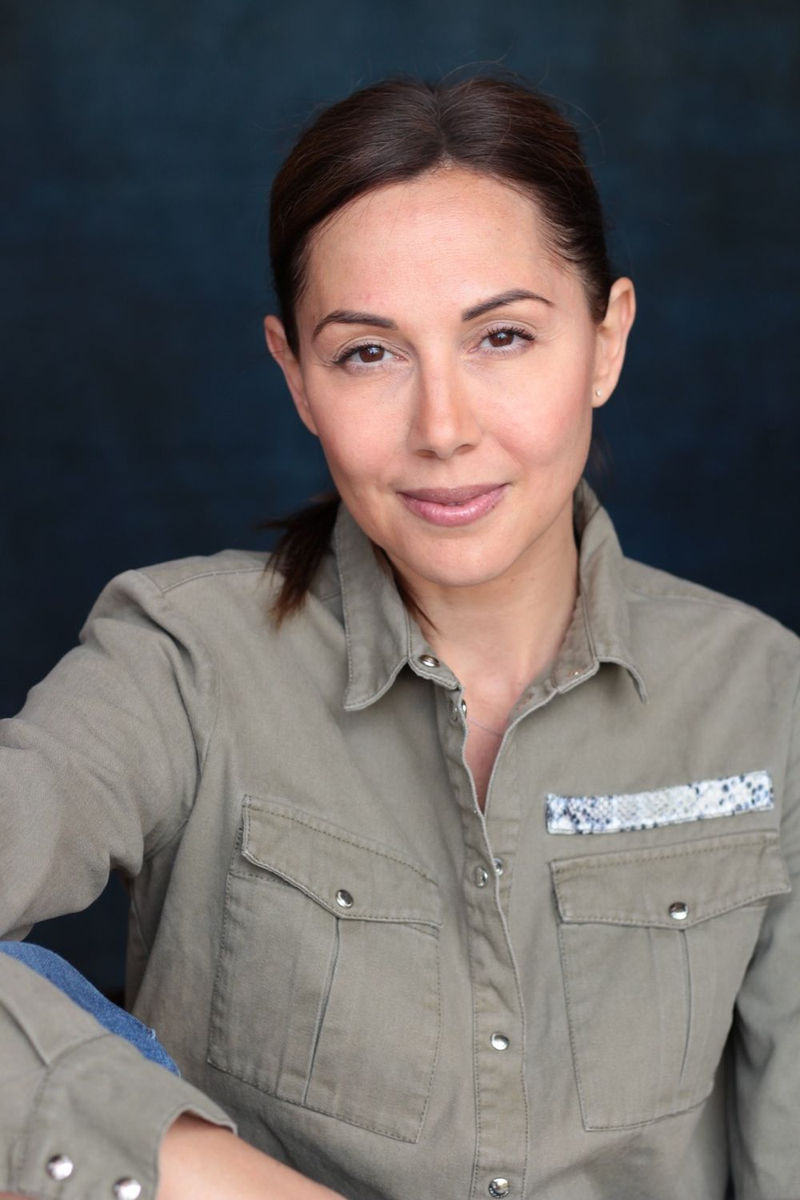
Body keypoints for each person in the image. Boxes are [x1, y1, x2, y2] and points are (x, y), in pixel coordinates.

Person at [1, 75, 798, 1200]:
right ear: (296, 377)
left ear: (605, 341)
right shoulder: (179, 661)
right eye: (368, 354)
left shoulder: (765, 695)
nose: (442, 428)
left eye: (502, 337)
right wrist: (205, 1171)